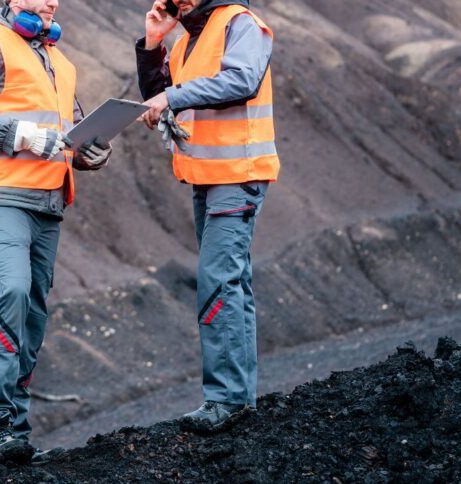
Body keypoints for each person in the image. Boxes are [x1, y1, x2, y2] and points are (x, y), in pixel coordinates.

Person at [0, 0, 112, 458]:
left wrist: (87, 151)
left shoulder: (59, 59)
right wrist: (21, 135)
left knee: (33, 311)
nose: (52, 1)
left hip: (49, 199)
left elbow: (67, 132)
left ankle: (15, 429)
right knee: (13, 291)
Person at [136, 0, 280, 428]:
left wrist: (171, 96)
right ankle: (239, 398)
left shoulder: (241, 23)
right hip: (208, 176)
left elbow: (242, 80)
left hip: (238, 174)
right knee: (232, 282)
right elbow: (158, 96)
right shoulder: (186, 43)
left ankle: (227, 399)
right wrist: (152, 44)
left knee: (218, 280)